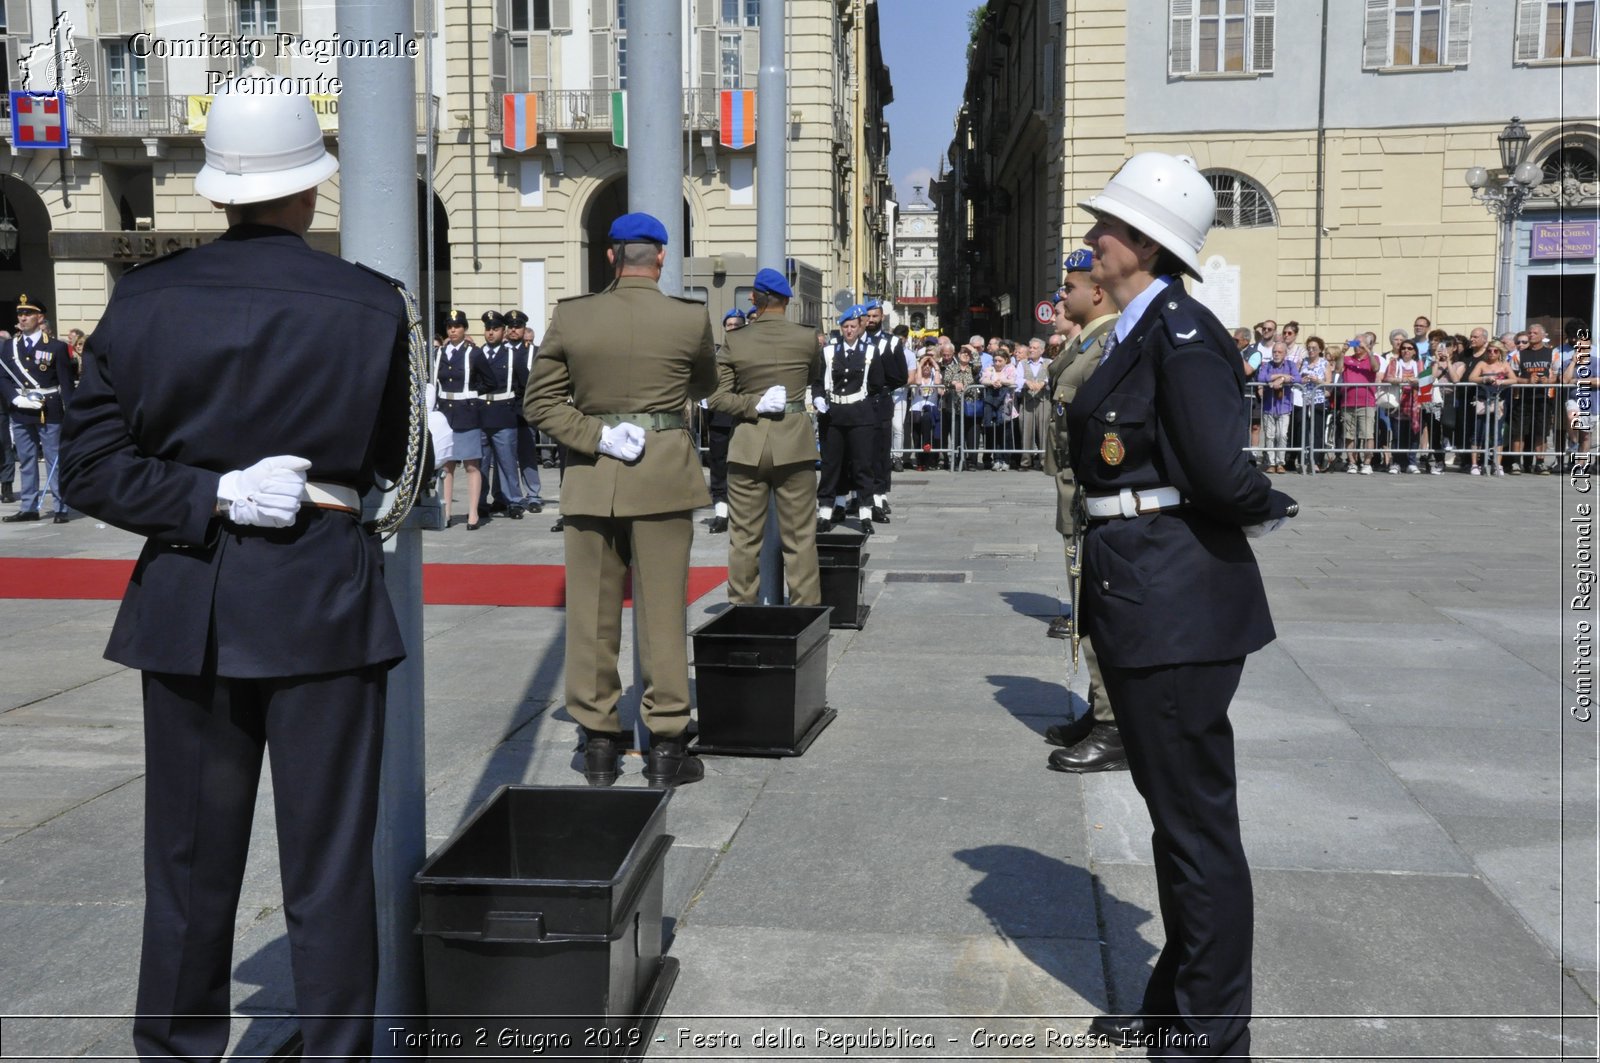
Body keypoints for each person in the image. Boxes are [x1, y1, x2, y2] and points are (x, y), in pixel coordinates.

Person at [59, 85, 416, 1062]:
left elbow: (86, 467)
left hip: (191, 603)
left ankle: (174, 1053)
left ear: (218, 193)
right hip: (324, 605)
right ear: (309, 190)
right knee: (331, 866)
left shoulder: (141, 300)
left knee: (186, 864)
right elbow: (385, 455)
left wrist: (208, 494)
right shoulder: (371, 302)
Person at [1068, 152, 1297, 1059]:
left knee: (1197, 831)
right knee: (1178, 825)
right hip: (1142, 593)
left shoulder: (1183, 332)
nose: (1092, 241)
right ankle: (1177, 1005)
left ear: (1149, 246)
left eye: (1108, 230)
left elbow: (1215, 468)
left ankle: (1210, 1032)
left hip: (1175, 602)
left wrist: (1265, 502)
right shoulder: (1135, 328)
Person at [525, 212, 717, 787]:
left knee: (591, 616)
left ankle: (600, 744)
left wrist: (597, 434)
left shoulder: (574, 315)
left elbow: (540, 402)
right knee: (663, 613)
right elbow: (704, 385)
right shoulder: (688, 318)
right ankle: (666, 747)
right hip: (662, 474)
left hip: (592, 474)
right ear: (661, 258)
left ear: (611, 257)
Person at [1043, 249, 1126, 773]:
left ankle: (1113, 725)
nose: (1061, 297)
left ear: (1094, 292)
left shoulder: (1110, 342)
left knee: (1097, 614)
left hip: (1091, 492)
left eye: (1069, 287)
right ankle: (1099, 710)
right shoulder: (1087, 341)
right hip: (1074, 493)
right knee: (1085, 611)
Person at [709, 267, 822, 605]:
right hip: (795, 445)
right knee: (801, 537)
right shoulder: (807, 338)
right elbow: (813, 376)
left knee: (743, 539)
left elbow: (717, 398)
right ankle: (806, 615)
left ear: (753, 299)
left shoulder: (735, 339)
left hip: (748, 445)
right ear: (787, 300)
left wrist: (754, 403)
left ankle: (742, 611)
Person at [1, 296, 75, 522]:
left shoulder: (56, 347)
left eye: (28, 314)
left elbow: (66, 383)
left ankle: (61, 506)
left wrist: (72, 413)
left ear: (40, 317)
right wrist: (14, 399)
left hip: (49, 408)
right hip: (21, 409)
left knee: (54, 459)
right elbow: (2, 376)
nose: (22, 318)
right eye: (20, 314)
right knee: (26, 459)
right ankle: (29, 507)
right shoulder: (10, 346)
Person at [813, 304, 884, 533]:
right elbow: (816, 382)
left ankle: (864, 514)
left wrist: (864, 404)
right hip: (833, 415)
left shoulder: (870, 352)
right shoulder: (829, 352)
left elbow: (876, 383)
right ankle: (825, 512)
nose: (850, 330)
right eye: (846, 327)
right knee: (831, 465)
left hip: (860, 415)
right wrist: (818, 399)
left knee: (863, 466)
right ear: (841, 328)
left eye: (853, 326)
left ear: (859, 327)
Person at [433, 308, 488, 529]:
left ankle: (473, 513)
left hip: (467, 411)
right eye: (449, 327)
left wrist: (472, 396)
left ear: (465, 329)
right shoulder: (439, 354)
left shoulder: (473, 353)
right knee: (447, 466)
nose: (453, 330)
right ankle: (446, 511)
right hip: (446, 413)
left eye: (457, 326)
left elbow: (489, 381)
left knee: (472, 465)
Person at [478, 309, 528, 518]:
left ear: (504, 331)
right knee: (480, 464)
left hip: (504, 414)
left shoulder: (512, 355)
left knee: (507, 463)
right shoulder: (476, 354)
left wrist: (514, 407)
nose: (491, 333)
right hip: (480, 415)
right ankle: (480, 502)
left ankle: (514, 501)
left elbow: (524, 384)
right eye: (488, 329)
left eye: (495, 329)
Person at [505, 308, 546, 514]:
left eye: (517, 327)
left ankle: (533, 494)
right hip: (503, 410)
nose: (513, 330)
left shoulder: (535, 352)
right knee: (504, 457)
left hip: (524, 409)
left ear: (524, 329)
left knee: (527, 453)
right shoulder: (500, 350)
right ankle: (506, 496)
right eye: (510, 327)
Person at [1382, 338, 1424, 473]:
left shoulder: (1418, 363)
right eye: (1404, 348)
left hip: (1415, 403)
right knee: (1397, 434)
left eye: (1409, 348)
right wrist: (1403, 380)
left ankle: (1412, 462)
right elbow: (1387, 377)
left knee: (1413, 434)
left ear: (1414, 352)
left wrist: (1416, 381)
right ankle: (1397, 462)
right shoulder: (1395, 363)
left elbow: (1424, 379)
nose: (1406, 350)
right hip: (1398, 404)